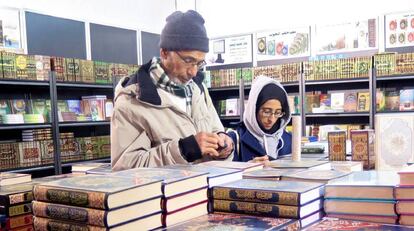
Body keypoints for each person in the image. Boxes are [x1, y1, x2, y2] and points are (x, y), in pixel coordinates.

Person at [111, 10, 233, 170]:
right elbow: (125, 169)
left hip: (204, 191)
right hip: (167, 195)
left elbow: (216, 130)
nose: (194, 72)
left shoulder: (199, 89)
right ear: (164, 52)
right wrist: (184, 150)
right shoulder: (131, 102)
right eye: (188, 60)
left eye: (199, 63)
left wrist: (223, 144)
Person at [228, 76, 292, 166]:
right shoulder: (233, 139)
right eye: (266, 112)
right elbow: (222, 176)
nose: (272, 119)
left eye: (278, 112)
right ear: (254, 109)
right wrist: (246, 167)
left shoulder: (289, 139)